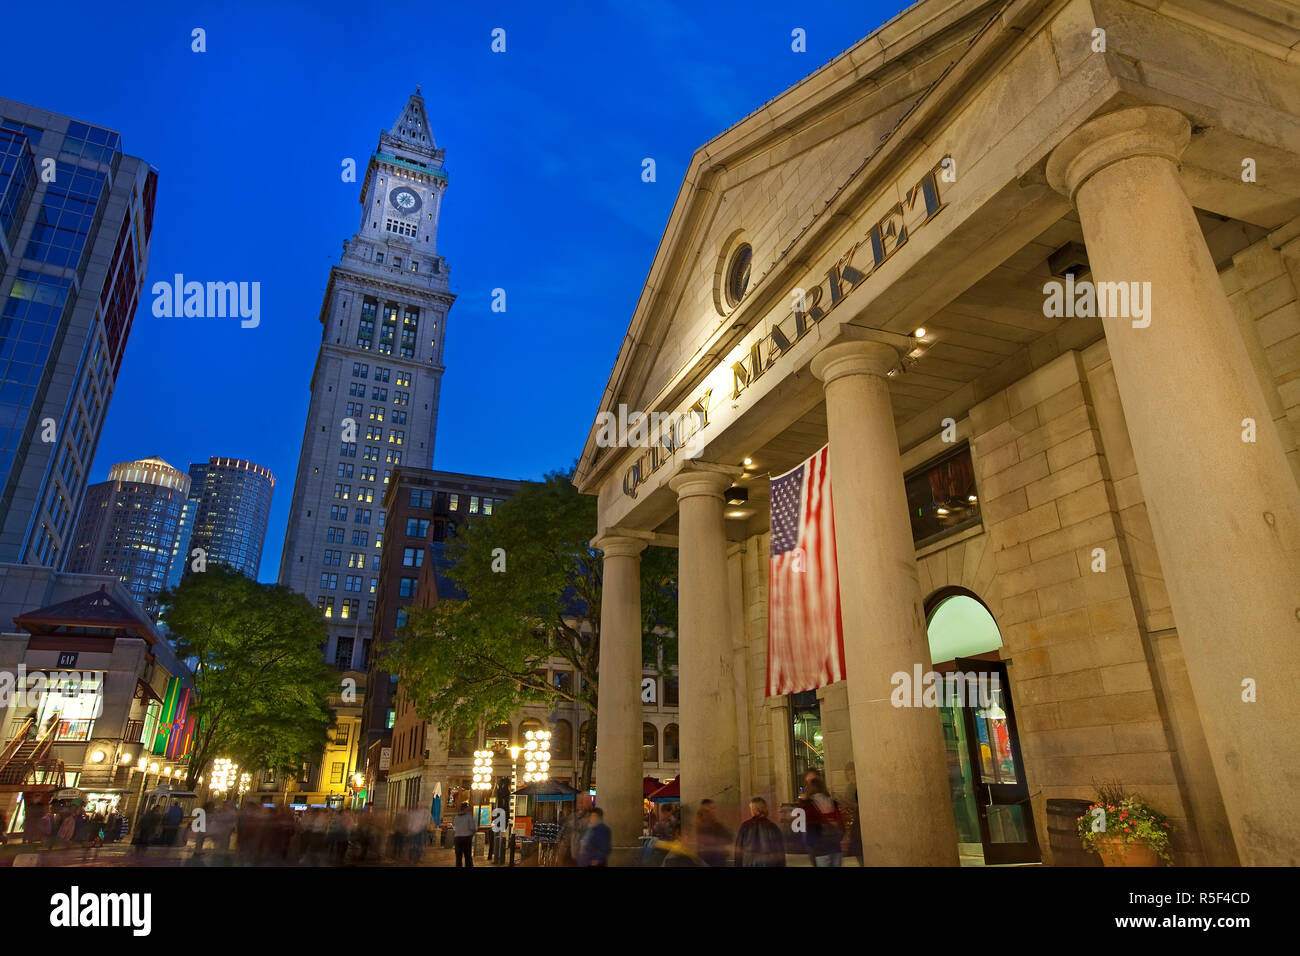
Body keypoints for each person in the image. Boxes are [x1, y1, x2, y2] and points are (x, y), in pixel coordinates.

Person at [798, 775, 844, 867]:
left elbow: (806, 823)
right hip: (835, 846)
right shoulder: (832, 802)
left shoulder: (810, 804)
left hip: (821, 847)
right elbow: (840, 822)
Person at [734, 797, 786, 867]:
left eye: (751, 809)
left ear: (753, 810)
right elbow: (780, 853)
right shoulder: (773, 827)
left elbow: (738, 852)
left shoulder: (745, 826)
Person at [694, 800, 733, 866]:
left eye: (714, 808)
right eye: (709, 809)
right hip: (708, 862)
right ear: (703, 812)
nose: (713, 811)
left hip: (718, 861)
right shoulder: (701, 826)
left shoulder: (717, 825)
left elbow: (729, 838)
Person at [452, 802, 477, 867]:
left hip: (457, 839)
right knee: (468, 857)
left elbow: (454, 827)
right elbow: (473, 828)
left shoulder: (456, 817)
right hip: (466, 838)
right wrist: (474, 831)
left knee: (458, 857)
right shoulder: (469, 817)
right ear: (466, 808)